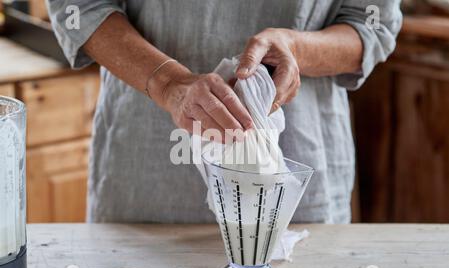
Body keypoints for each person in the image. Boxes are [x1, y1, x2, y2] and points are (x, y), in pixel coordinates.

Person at [47, 0, 402, 224]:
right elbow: (77, 8)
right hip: (148, 181)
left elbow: (373, 23)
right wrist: (168, 83)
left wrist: (298, 48)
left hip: (296, 189)